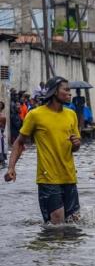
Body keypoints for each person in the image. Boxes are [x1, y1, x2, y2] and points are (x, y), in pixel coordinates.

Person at [4, 77, 82, 224]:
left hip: (69, 176)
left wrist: (76, 143)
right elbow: (19, 142)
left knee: (74, 224)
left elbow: (75, 147)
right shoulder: (35, 115)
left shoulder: (71, 114)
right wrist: (11, 167)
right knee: (56, 222)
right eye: (66, 90)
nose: (69, 93)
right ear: (54, 92)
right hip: (47, 178)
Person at [0, 101, 6, 168]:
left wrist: (2, 132)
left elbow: (3, 126)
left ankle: (2, 161)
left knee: (1, 147)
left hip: (0, 133)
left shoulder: (3, 116)